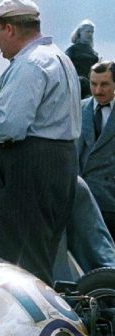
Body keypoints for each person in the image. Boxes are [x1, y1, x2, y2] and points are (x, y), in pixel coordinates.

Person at [0, 0, 80, 285]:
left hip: (26, 167)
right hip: (56, 161)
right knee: (38, 254)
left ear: (9, 29)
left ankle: (22, 326)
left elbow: (10, 126)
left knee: (13, 263)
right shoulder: (59, 58)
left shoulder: (30, 64)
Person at [78, 61, 115, 238]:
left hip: (111, 205)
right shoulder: (78, 109)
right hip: (80, 202)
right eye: (93, 84)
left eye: (105, 84)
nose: (98, 90)